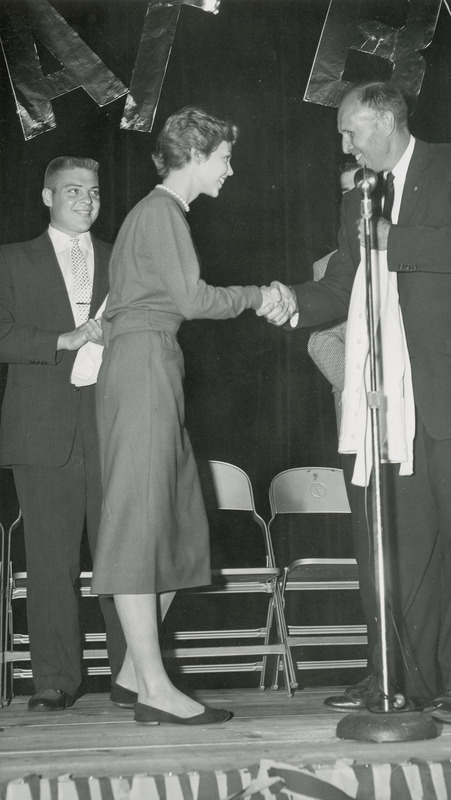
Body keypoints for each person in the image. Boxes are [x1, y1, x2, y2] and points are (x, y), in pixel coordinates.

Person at [260, 81, 451, 719]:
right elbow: (346, 280)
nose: (346, 145)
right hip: (393, 398)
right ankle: (399, 675)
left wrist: (390, 235)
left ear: (386, 122)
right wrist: (295, 301)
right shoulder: (358, 190)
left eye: (352, 132)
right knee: (402, 540)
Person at [90, 106, 278, 726]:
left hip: (150, 362)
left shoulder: (154, 214)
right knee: (143, 525)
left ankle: (129, 675)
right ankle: (153, 689)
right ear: (195, 156)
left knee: (176, 522)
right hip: (144, 363)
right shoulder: (163, 212)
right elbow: (193, 300)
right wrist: (258, 296)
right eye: (224, 157)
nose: (230, 169)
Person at [0, 156, 127, 711]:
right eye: (73, 190)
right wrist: (62, 340)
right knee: (51, 562)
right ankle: (54, 679)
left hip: (111, 426)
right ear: (47, 196)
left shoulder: (120, 259)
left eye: (94, 191)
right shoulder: (10, 261)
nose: (86, 200)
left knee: (121, 557)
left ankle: (134, 674)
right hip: (41, 431)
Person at [306, 161, 357, 431]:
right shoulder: (325, 267)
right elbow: (322, 341)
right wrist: (362, 389)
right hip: (356, 409)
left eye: (362, 189)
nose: (356, 201)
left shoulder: (410, 256)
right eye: (348, 193)